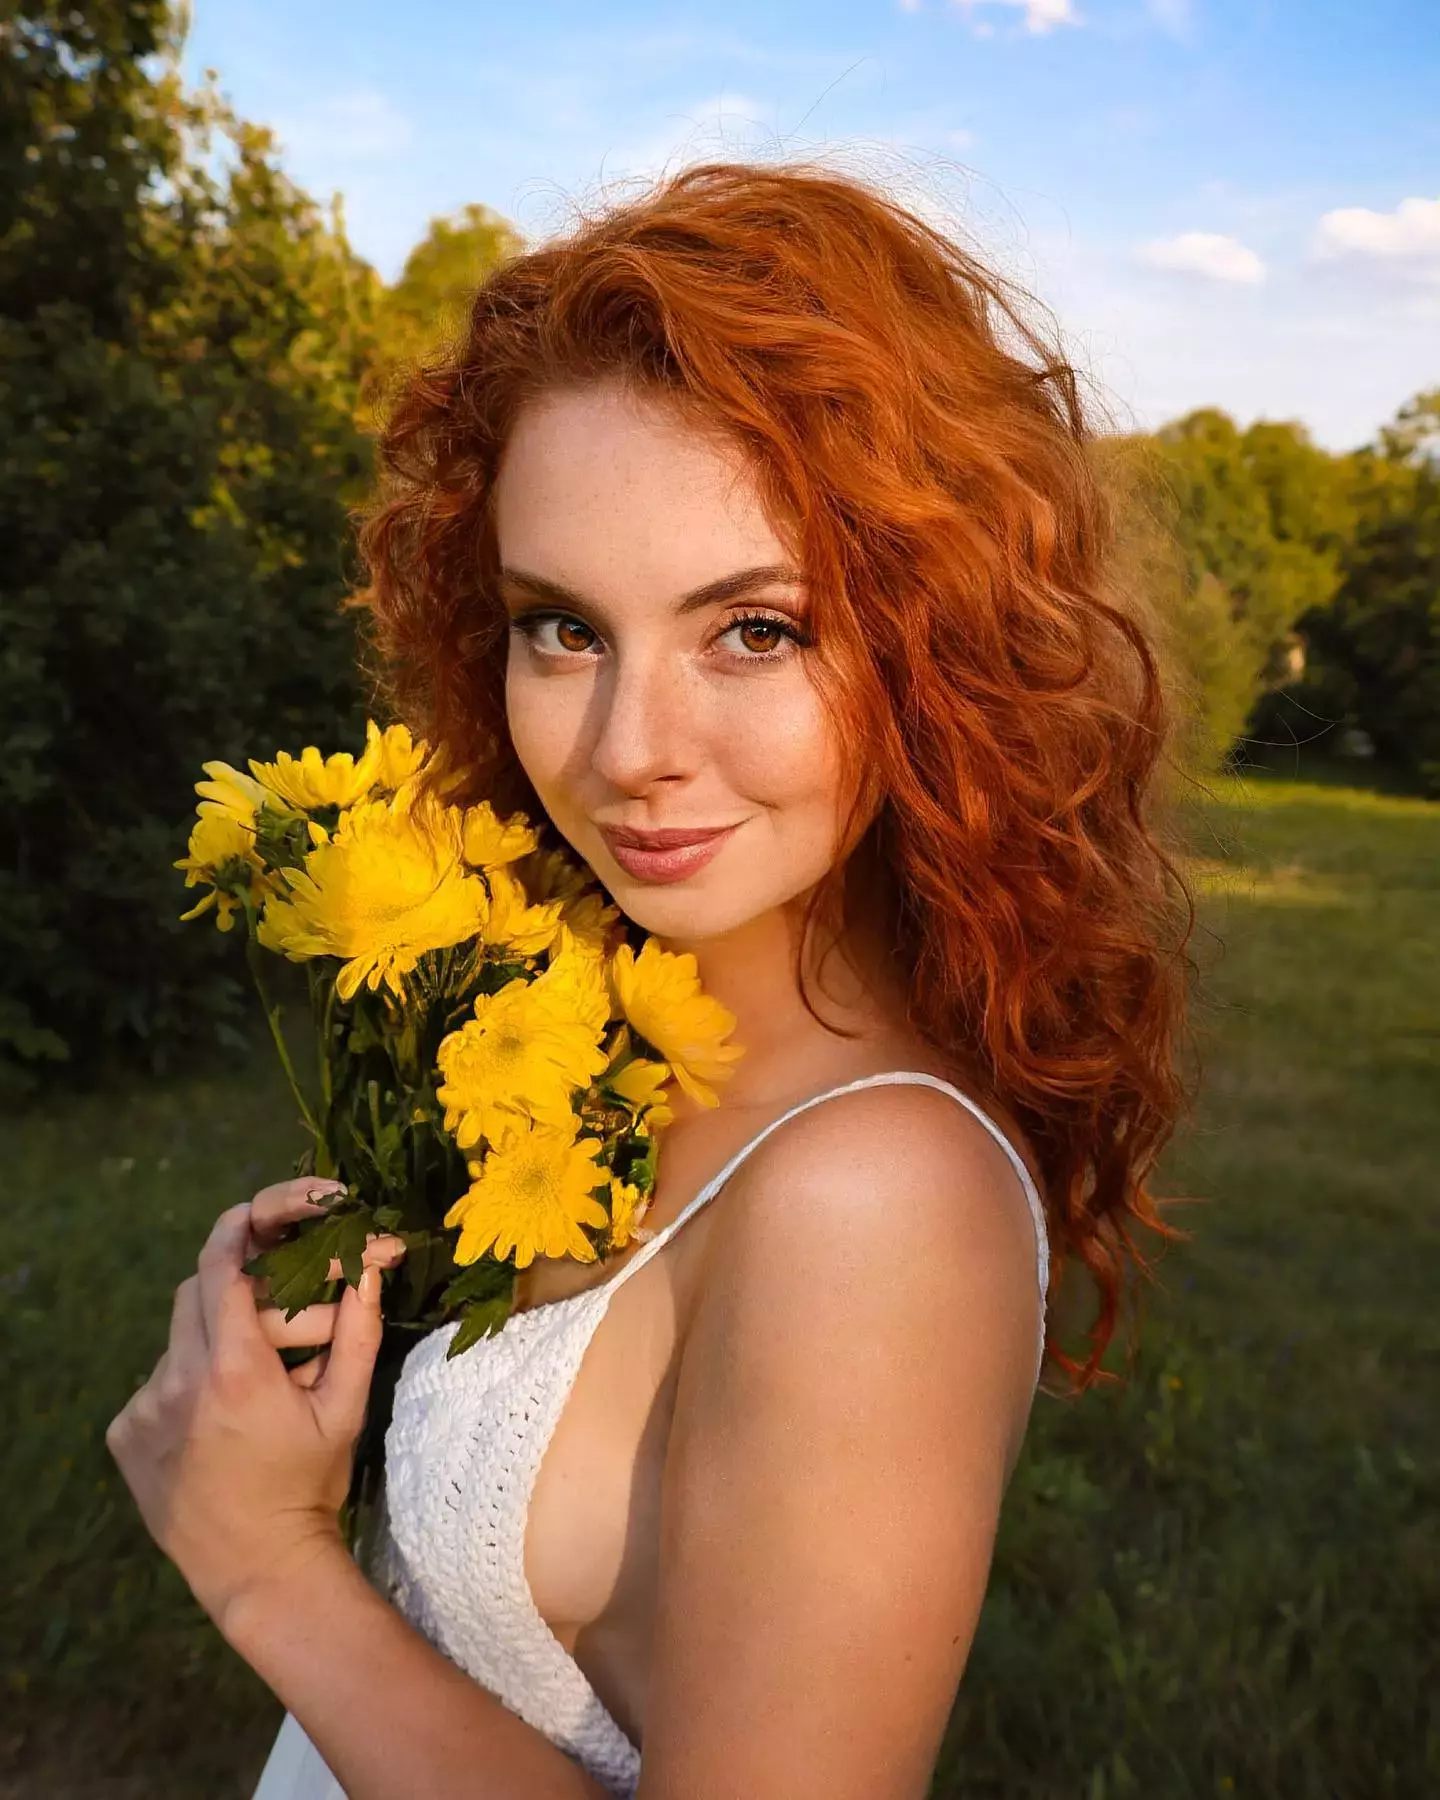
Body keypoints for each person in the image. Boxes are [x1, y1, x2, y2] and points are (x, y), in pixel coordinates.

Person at [106, 157, 1194, 1799]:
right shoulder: (611, 1018)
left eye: (754, 629)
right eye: (563, 629)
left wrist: (264, 1565)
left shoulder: (870, 1199)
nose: (627, 755)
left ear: (935, 641)